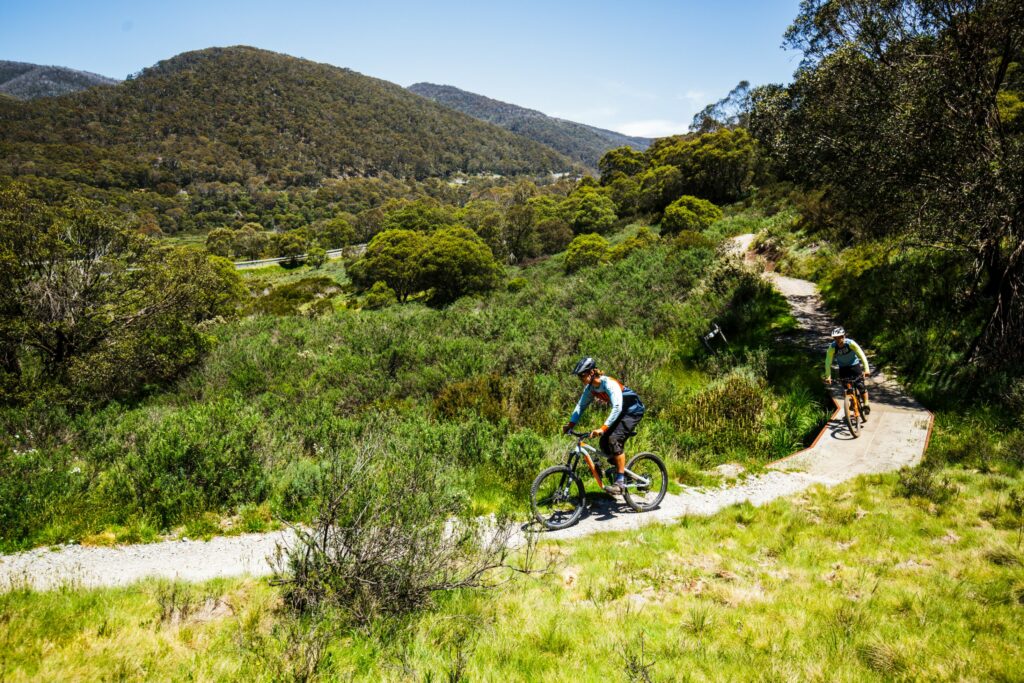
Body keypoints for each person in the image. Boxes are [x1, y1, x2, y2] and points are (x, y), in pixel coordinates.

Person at [562, 356, 646, 496]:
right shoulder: (590, 389)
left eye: (583, 375)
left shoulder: (608, 384)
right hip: (622, 413)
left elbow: (618, 407)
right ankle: (620, 470)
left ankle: (619, 483)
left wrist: (602, 428)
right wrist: (570, 425)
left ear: (591, 372)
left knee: (613, 439)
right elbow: (580, 407)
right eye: (579, 376)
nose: (581, 379)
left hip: (633, 411)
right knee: (603, 442)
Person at [824, 327, 871, 417]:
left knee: (860, 385)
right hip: (843, 368)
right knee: (847, 388)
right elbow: (828, 362)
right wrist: (828, 376)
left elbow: (862, 355)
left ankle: (866, 404)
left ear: (844, 336)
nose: (838, 340)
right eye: (835, 338)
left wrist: (866, 370)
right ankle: (851, 400)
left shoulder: (850, 343)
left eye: (840, 337)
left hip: (854, 366)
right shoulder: (832, 347)